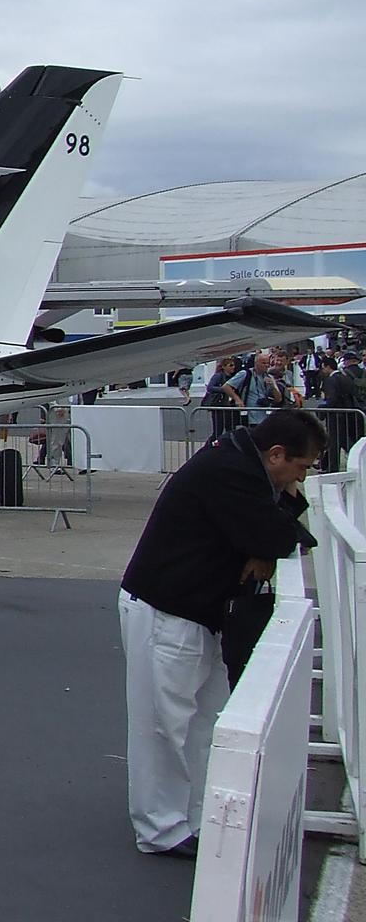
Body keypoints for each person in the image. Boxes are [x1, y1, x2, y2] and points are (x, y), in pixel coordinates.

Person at [117, 408, 324, 859]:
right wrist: (272, 535)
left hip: (191, 609)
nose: (301, 479)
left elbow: (270, 533)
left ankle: (192, 816)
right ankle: (160, 827)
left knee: (203, 719)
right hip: (169, 609)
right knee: (164, 725)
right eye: (301, 468)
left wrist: (273, 528)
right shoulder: (231, 472)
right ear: (277, 455)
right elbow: (275, 535)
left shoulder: (235, 461)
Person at [321, 351, 365, 471]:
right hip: (347, 413)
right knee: (345, 442)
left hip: (335, 415)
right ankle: (359, 461)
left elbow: (332, 398)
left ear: (327, 367)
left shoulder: (332, 380)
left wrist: (322, 410)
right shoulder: (345, 377)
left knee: (335, 443)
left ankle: (332, 468)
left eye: (323, 367)